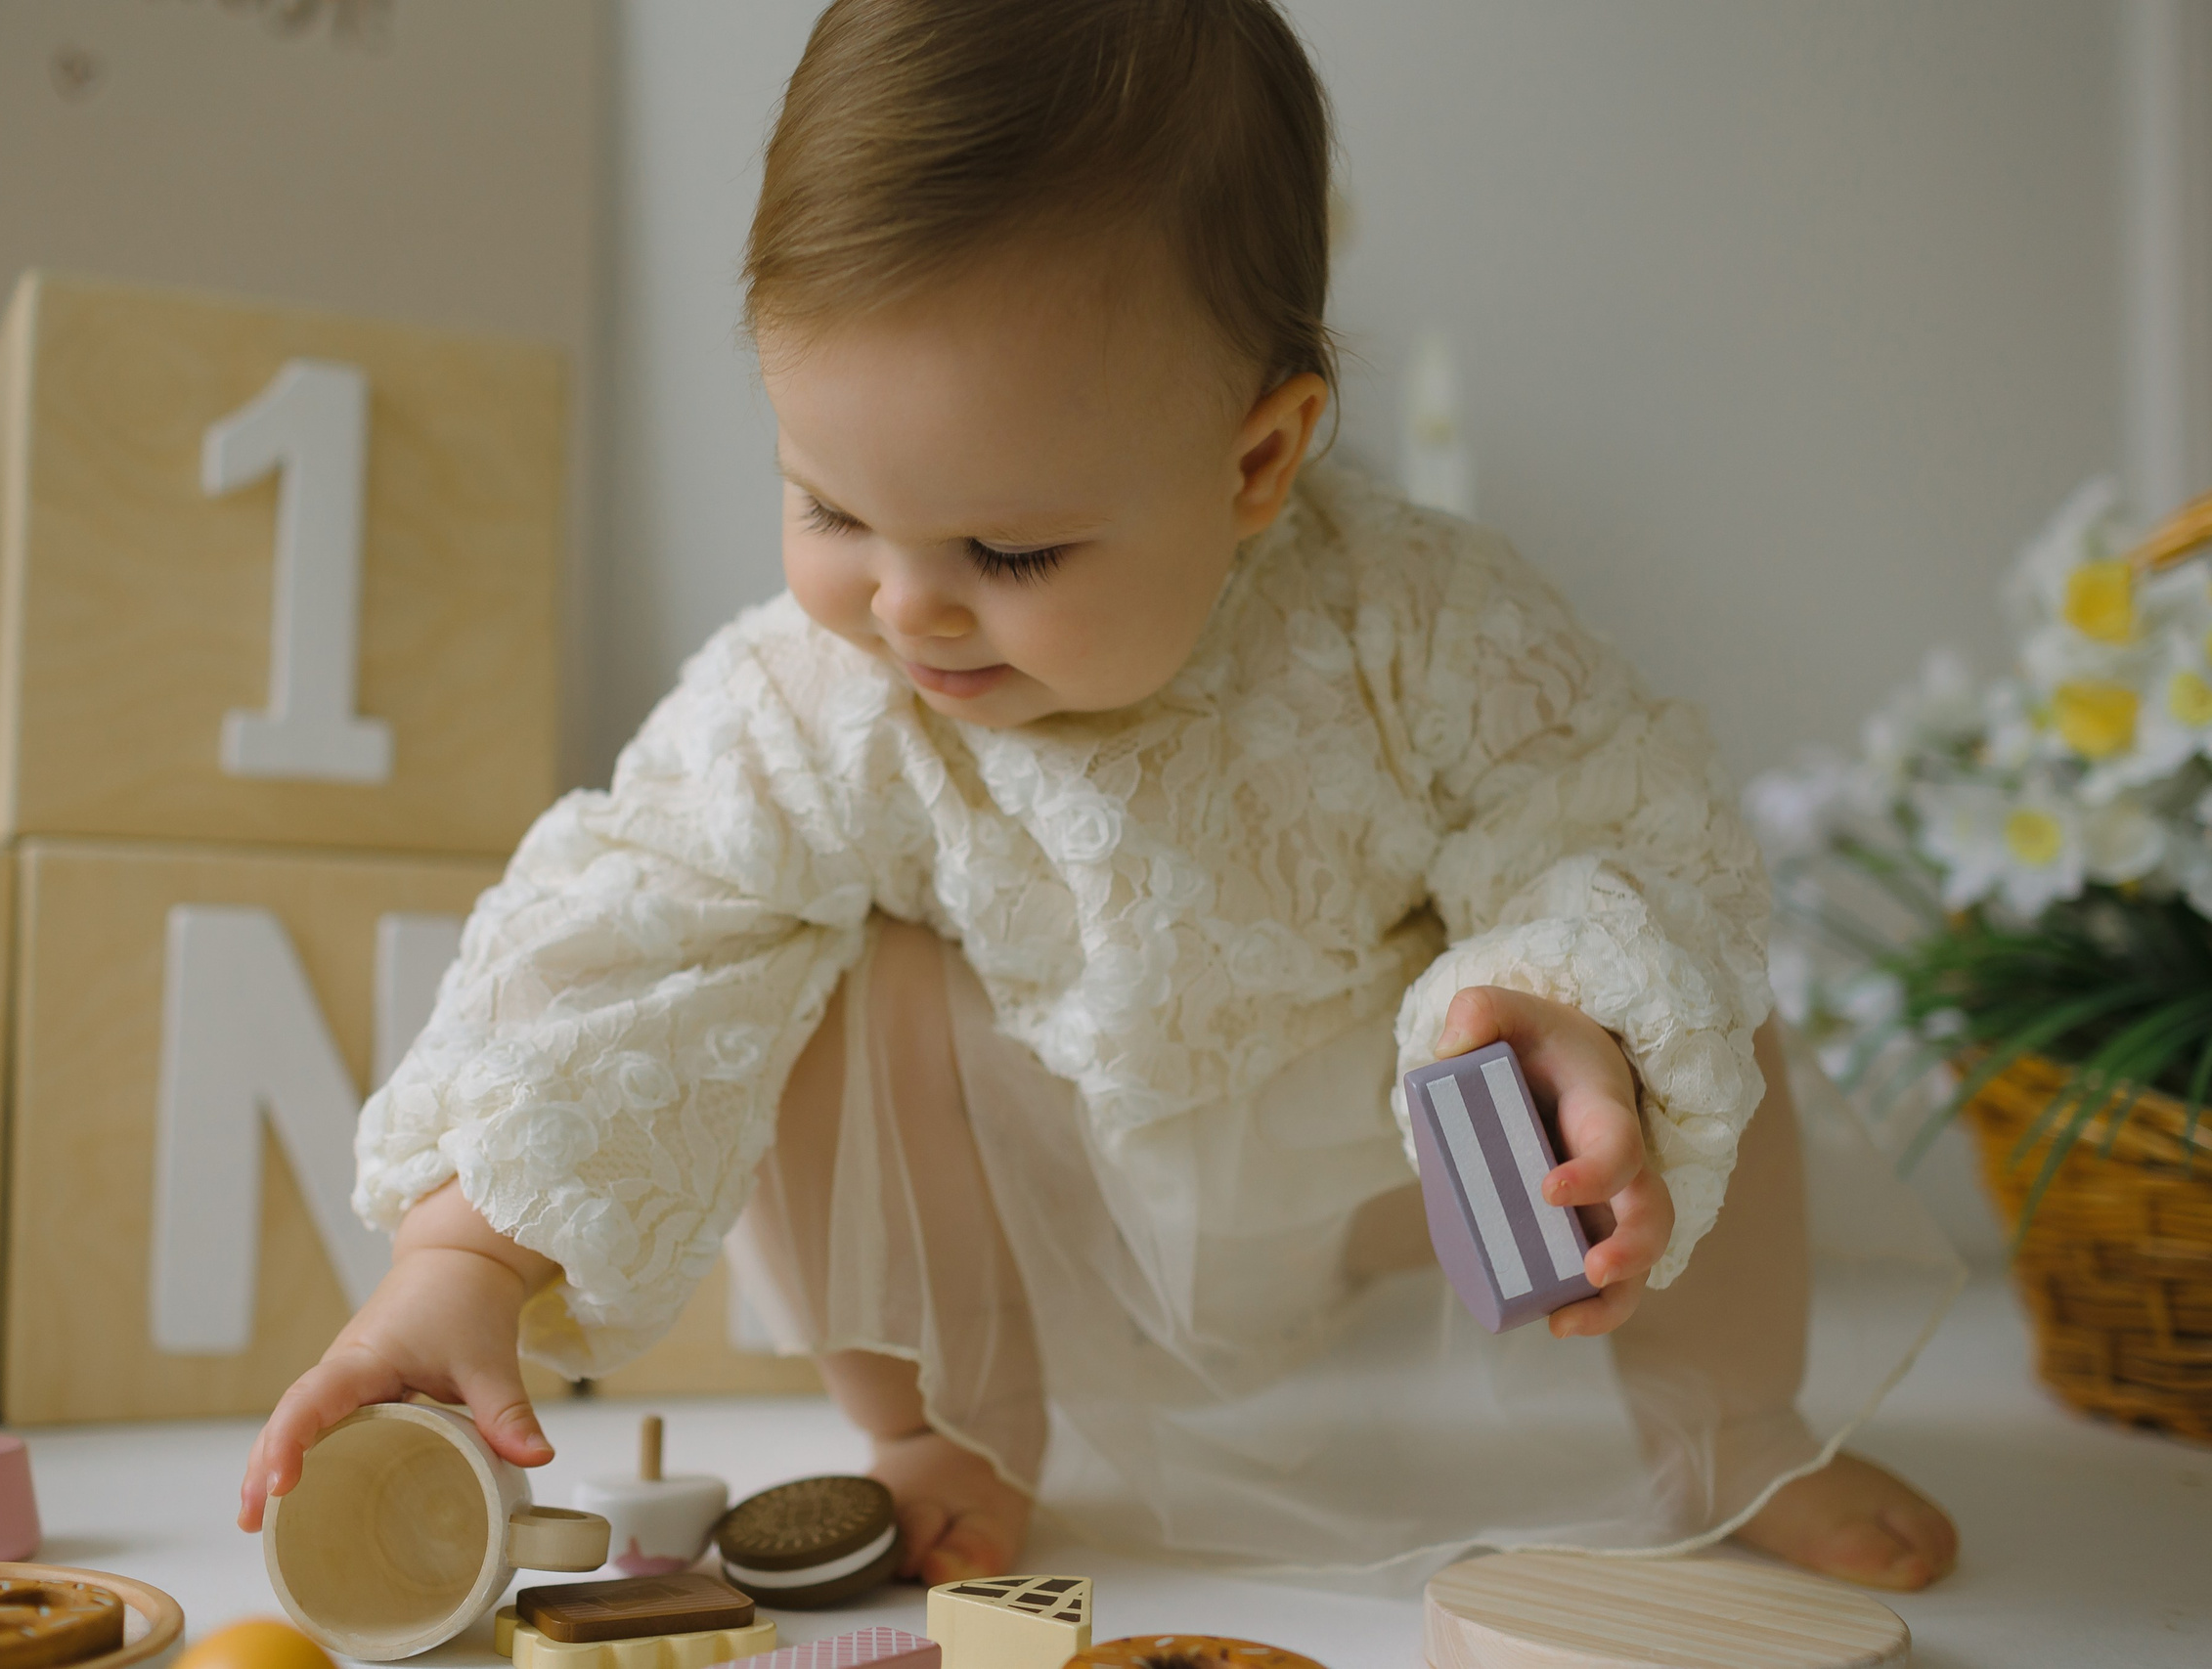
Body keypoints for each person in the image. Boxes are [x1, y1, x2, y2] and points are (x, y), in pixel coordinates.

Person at [238, 0, 1962, 1594]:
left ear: (1257, 461)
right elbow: (634, 923)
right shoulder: (820, 696)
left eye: (1009, 546)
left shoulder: (1417, 620)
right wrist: (465, 1254)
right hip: (1030, 1182)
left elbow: (1612, 813)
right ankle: (941, 1427)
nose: (908, 607)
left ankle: (1736, 1424)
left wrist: (1567, 1011)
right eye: (831, 508)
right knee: (809, 983)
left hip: (1363, 1149)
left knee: (1684, 997)